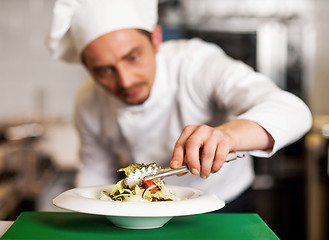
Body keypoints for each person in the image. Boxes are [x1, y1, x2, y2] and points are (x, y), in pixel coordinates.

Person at [46, 0, 312, 208]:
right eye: (104, 70)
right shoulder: (88, 101)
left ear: (156, 39)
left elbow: (293, 110)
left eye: (132, 57)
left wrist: (225, 136)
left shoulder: (196, 64)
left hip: (223, 203)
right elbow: (96, 173)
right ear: (87, 68)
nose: (125, 81)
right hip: (145, 208)